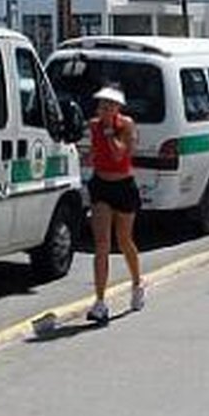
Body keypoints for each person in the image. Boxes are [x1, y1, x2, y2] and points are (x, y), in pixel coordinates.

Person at [86, 84, 145, 324]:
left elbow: (121, 154)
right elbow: (92, 152)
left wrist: (110, 133)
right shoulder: (93, 126)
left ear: (118, 108)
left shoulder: (127, 125)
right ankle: (100, 301)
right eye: (102, 106)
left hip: (123, 186)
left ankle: (137, 283)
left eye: (109, 106)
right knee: (102, 244)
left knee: (124, 240)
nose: (104, 110)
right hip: (101, 184)